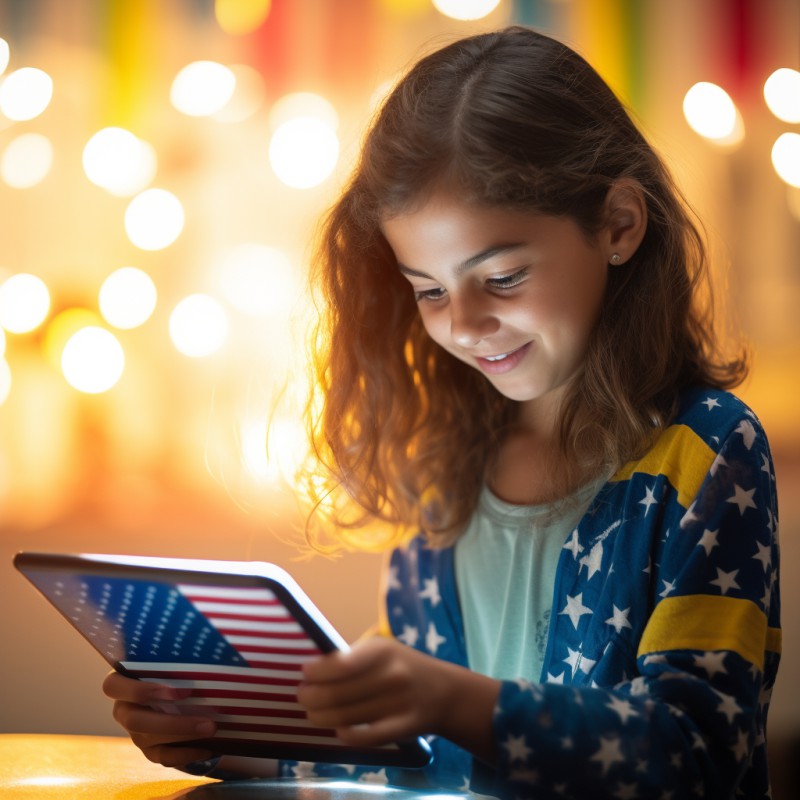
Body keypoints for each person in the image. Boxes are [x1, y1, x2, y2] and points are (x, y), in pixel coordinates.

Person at [103, 26, 781, 799]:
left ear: (619, 226)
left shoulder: (710, 451)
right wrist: (237, 740)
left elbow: (696, 753)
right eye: (428, 289)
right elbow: (419, 761)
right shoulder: (448, 470)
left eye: (501, 277)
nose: (460, 323)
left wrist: (453, 699)